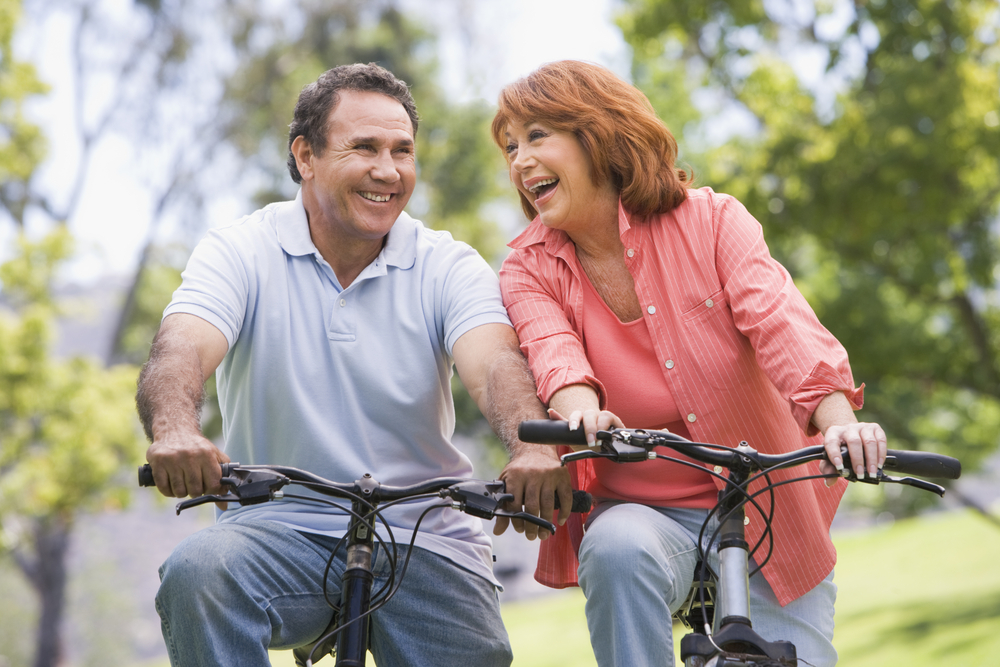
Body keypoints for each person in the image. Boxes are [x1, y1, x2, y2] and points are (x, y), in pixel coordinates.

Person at [136, 62, 568, 667]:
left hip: (424, 535)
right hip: (280, 526)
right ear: (305, 156)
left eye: (402, 151)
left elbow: (495, 362)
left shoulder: (447, 264)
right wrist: (176, 430)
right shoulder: (240, 251)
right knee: (198, 573)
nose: (388, 171)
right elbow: (180, 348)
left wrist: (529, 446)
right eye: (363, 147)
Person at [491, 60, 888, 667]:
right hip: (643, 515)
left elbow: (783, 327)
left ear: (597, 133)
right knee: (616, 549)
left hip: (768, 503)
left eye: (538, 136)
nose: (519, 160)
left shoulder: (711, 220)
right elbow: (553, 354)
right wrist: (582, 415)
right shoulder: (527, 267)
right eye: (512, 146)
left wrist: (839, 422)